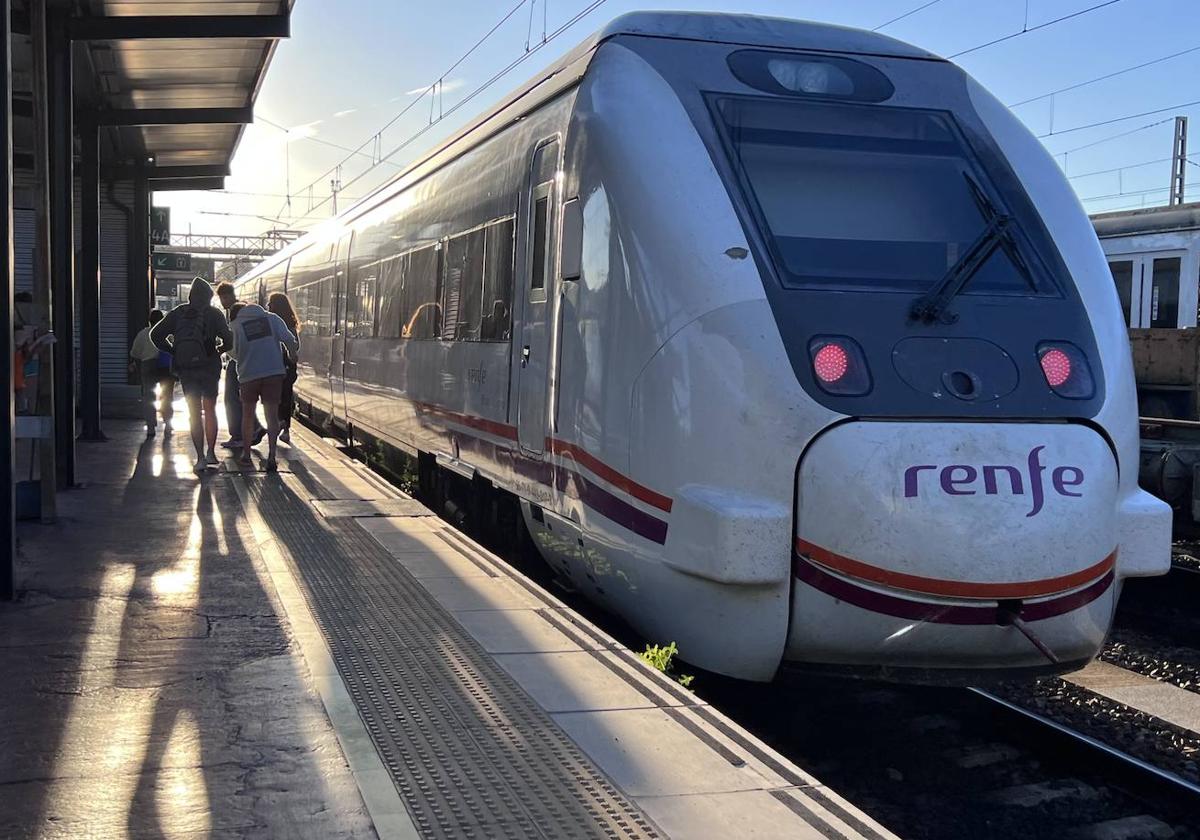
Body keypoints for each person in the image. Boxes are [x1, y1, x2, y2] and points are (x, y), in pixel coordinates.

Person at [151, 278, 232, 474]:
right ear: (209, 296)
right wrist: (218, 350)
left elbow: (155, 335)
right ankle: (211, 452)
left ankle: (200, 458)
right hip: (209, 368)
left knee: (194, 413)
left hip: (186, 369)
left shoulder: (178, 313)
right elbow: (229, 340)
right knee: (210, 410)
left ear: (190, 296)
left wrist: (173, 351)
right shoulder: (214, 313)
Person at [231, 299, 298, 472]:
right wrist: (292, 354)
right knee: (271, 415)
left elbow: (232, 351)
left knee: (247, 414)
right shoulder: (272, 319)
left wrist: (243, 359)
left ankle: (246, 455)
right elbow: (290, 339)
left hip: (248, 375)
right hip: (273, 373)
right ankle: (272, 456)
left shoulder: (237, 324)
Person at [215, 280, 264, 450]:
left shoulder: (235, 311)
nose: (222, 302)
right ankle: (255, 428)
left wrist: (222, 348)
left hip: (238, 361)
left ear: (226, 296)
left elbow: (234, 339)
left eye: (222, 298)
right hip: (245, 359)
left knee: (232, 398)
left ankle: (238, 434)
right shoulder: (240, 308)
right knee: (242, 399)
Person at [129, 310, 175, 437]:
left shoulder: (143, 334)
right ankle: (168, 424)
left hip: (148, 365)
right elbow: (174, 349)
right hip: (165, 367)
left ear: (149, 320)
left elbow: (134, 353)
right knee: (167, 397)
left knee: (149, 397)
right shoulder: (168, 334)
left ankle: (150, 427)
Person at [266, 293, 301, 444]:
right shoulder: (291, 324)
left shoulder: (273, 322)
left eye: (270, 304)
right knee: (286, 396)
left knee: (276, 397)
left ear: (276, 306)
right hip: (289, 366)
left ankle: (279, 424)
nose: (268, 306)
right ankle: (285, 428)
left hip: (276, 365)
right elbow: (295, 344)